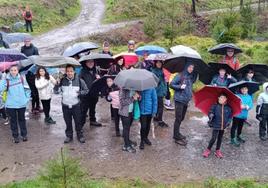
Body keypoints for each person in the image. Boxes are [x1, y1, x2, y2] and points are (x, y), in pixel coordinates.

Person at [0, 65, 31, 143]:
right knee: (13, 121)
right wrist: (3, 80)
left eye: (15, 70)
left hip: (21, 104)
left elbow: (27, 89)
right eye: (11, 70)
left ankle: (24, 135)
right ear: (9, 71)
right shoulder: (6, 80)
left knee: (22, 120)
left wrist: (26, 99)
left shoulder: (21, 78)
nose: (13, 72)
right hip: (10, 105)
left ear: (18, 71)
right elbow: (0, 90)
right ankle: (15, 136)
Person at [59, 64, 89, 144]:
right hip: (65, 105)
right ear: (66, 72)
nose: (69, 73)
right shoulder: (62, 80)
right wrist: (56, 84)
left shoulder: (79, 80)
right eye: (68, 71)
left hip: (76, 105)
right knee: (68, 122)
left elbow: (86, 90)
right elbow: (56, 91)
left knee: (78, 122)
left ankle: (80, 135)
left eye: (71, 71)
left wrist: (80, 93)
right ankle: (69, 136)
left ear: (74, 72)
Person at [170, 63, 197, 146]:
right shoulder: (180, 75)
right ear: (186, 67)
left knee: (181, 118)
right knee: (178, 118)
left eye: (192, 67)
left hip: (186, 100)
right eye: (189, 67)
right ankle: (176, 136)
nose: (191, 69)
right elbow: (171, 84)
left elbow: (194, 81)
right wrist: (179, 87)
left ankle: (177, 133)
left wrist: (196, 73)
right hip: (179, 100)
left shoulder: (190, 76)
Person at [203, 93, 232, 158]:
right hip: (216, 124)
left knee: (220, 138)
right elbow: (210, 112)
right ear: (218, 98)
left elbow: (230, 116)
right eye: (220, 97)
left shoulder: (228, 108)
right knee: (213, 138)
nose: (222, 99)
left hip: (223, 126)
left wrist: (229, 122)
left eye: (223, 98)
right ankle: (208, 149)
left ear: (226, 99)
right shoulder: (215, 106)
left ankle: (217, 150)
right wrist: (211, 115)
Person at [79, 58, 102, 127]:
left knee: (93, 108)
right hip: (86, 95)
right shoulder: (82, 72)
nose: (91, 63)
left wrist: (99, 78)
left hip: (94, 93)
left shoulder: (96, 70)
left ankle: (92, 120)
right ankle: (80, 125)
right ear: (85, 63)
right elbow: (80, 83)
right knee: (84, 110)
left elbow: (99, 82)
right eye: (88, 62)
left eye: (92, 62)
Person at [119, 89, 139, 153]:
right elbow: (122, 102)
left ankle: (127, 141)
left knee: (128, 127)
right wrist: (133, 98)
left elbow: (135, 100)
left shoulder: (133, 89)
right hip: (125, 112)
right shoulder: (123, 90)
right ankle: (126, 145)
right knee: (126, 128)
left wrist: (138, 97)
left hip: (131, 112)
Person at [151, 60, 168, 127]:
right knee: (160, 106)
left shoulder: (162, 71)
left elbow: (164, 82)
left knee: (159, 106)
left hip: (161, 91)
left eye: (160, 62)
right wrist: (161, 78)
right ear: (155, 63)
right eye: (157, 62)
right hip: (157, 91)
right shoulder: (154, 71)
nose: (159, 64)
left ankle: (157, 117)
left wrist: (165, 90)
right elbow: (155, 82)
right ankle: (160, 120)